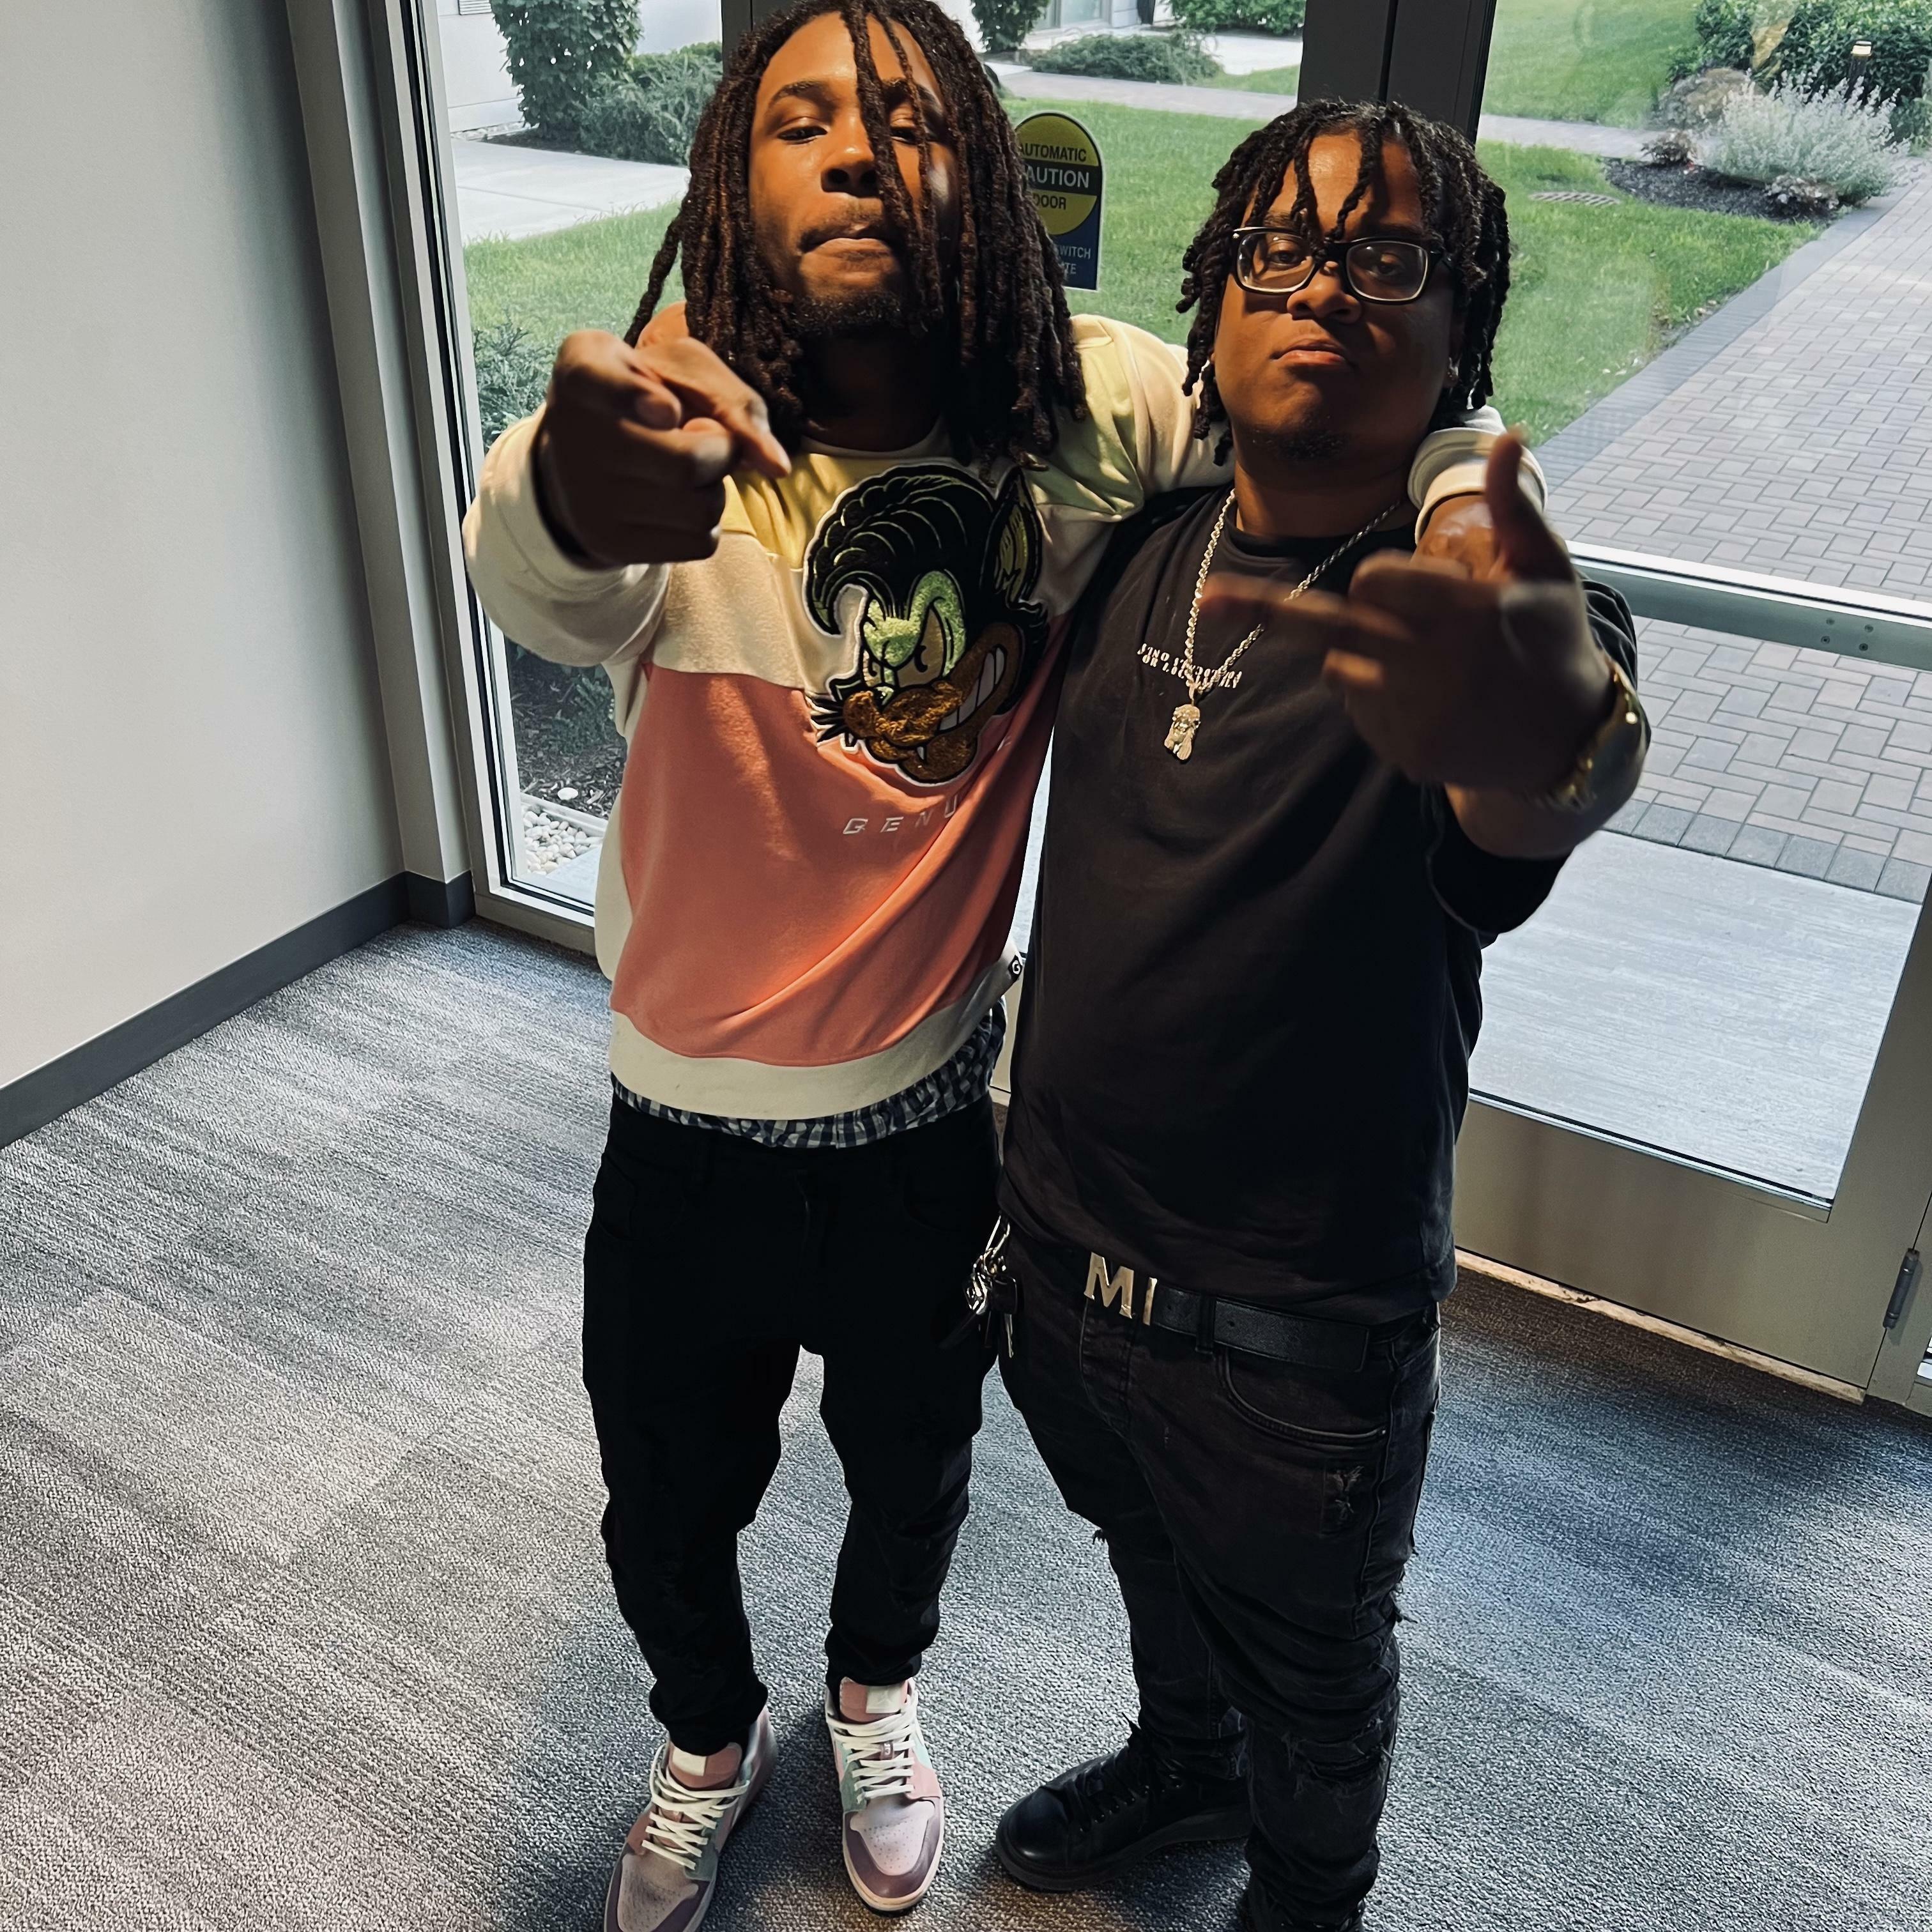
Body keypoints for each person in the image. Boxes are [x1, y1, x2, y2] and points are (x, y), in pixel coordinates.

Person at [463, 4, 1530, 1922]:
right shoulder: (676, 443)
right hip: (678, 1125)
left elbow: (1331, 383)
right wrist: (560, 493)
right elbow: (542, 565)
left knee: (913, 1477)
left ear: (982, 169)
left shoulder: (1079, 413)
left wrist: (1465, 487)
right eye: (802, 120)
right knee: (666, 1495)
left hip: (934, 1126)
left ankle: (874, 1697)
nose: (858, 153)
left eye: (910, 120)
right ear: (735, 180)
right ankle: (707, 1737)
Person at [988, 102, 1648, 1932]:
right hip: (1059, 1261)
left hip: (1294, 1343)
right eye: (1279, 246)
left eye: (1390, 257)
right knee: (1146, 1561)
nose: (1325, 286)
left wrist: (1551, 737)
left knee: (1318, 1671)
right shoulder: (1130, 554)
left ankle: (1306, 1895)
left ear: (1461, 329)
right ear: (1214, 297)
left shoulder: (1474, 615)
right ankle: (1182, 1758)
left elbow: (1552, 761)